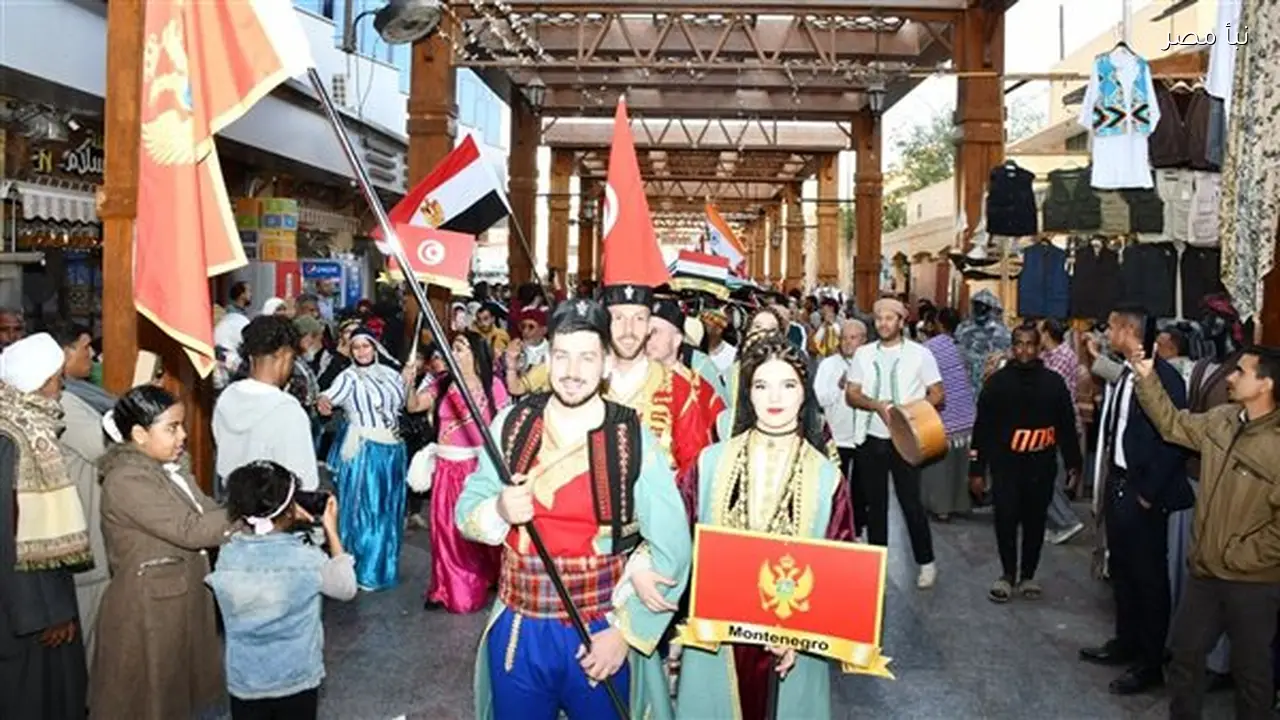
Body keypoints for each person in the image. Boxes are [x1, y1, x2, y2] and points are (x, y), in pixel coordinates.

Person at [455, 299, 692, 720]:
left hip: (600, 627)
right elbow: (467, 512)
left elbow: (673, 545)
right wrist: (499, 509)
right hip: (519, 628)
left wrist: (627, 633)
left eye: (587, 357)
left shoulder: (631, 437)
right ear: (547, 358)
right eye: (561, 356)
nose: (572, 371)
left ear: (605, 364)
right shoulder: (512, 425)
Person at [675, 333, 854, 720]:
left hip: (794, 646)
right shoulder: (708, 464)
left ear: (804, 393)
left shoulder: (827, 479)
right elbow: (674, 546)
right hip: (716, 641)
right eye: (761, 385)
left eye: (788, 385)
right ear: (747, 393)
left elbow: (839, 574)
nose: (775, 398)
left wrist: (801, 638)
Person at [1128, 345, 1280, 719]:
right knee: (1185, 660)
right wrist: (1147, 378)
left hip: (1254, 584)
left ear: (1266, 384)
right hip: (1205, 575)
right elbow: (1171, 424)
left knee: (1252, 677)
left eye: (1241, 372)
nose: (1230, 376)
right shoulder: (1222, 420)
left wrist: (1241, 556)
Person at [92, 386, 234, 719]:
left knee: (179, 697)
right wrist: (251, 511)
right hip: (147, 611)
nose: (183, 435)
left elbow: (207, 511)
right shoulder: (127, 479)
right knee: (153, 701)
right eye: (172, 428)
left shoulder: (168, 470)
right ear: (140, 434)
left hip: (175, 601)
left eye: (181, 425)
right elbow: (191, 529)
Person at [1079, 305, 1191, 696]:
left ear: (1128, 330)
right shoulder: (1125, 370)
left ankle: (1149, 661)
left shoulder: (1165, 378)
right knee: (1122, 570)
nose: (1107, 333)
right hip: (1119, 483)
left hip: (1144, 492)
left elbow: (1175, 439)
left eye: (1111, 327)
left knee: (1148, 578)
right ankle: (1125, 641)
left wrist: (1148, 494)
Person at [207, 461, 357, 720]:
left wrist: (282, 515)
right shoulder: (306, 558)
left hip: (246, 681)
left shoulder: (228, 555)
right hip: (296, 678)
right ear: (289, 510)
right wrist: (331, 531)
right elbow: (346, 587)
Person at [0, 333, 91, 719]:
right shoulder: (18, 441)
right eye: (56, 379)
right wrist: (48, 614)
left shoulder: (20, 425)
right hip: (29, 612)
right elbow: (12, 536)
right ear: (36, 382)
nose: (61, 387)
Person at [969, 324, 1083, 603]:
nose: (1024, 350)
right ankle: (1007, 574)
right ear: (1012, 346)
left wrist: (1073, 464)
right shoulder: (996, 384)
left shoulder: (1053, 383)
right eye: (1018, 344)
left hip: (1041, 466)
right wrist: (976, 470)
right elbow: (981, 428)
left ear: (1039, 347)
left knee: (1035, 521)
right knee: (1005, 519)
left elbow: (1066, 425)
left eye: (1030, 344)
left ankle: (1028, 575)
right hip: (1005, 465)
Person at [404, 331, 508, 613]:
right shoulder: (441, 384)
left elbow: (506, 426)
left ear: (475, 353)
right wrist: (409, 383)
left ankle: (486, 578)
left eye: (460, 348)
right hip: (447, 468)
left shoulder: (493, 386)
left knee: (479, 528)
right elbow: (413, 406)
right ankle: (444, 587)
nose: (454, 352)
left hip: (479, 469)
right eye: (452, 348)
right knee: (445, 530)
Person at [845, 297, 944, 588]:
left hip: (907, 441)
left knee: (911, 502)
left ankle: (926, 563)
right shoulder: (863, 354)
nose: (884, 324)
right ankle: (877, 566)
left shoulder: (920, 354)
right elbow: (852, 393)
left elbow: (937, 393)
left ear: (902, 321)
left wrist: (910, 414)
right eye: (879, 319)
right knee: (875, 505)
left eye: (890, 318)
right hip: (870, 438)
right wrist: (876, 406)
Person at [317, 326, 408, 591]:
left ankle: (381, 568)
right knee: (366, 511)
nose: (362, 351)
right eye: (356, 347)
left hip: (393, 450)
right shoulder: (348, 377)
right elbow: (327, 396)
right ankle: (361, 569)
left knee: (389, 511)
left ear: (374, 347)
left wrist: (410, 380)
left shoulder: (392, 374)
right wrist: (323, 401)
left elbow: (405, 404)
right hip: (365, 451)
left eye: (366, 346)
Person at [49, 322, 113, 661]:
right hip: (84, 537)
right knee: (90, 642)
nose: (91, 354)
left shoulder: (78, 395)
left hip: (85, 534)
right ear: (63, 354)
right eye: (84, 347)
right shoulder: (67, 404)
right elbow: (105, 450)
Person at [601, 282, 711, 474]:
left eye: (639, 319)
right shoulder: (585, 386)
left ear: (648, 326)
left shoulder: (678, 388)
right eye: (618, 318)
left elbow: (694, 471)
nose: (628, 330)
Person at [214, 315, 320, 495]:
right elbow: (305, 481)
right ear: (285, 355)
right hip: (273, 511)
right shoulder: (287, 410)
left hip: (232, 504)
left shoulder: (227, 397)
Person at [919, 307, 977, 520]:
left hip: (943, 415)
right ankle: (960, 504)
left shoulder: (929, 349)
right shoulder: (961, 347)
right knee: (960, 466)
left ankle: (941, 508)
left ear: (938, 324)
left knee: (939, 468)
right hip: (965, 412)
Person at [814, 319, 868, 537]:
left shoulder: (871, 362)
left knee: (862, 489)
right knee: (836, 487)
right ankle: (834, 530)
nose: (847, 343)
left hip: (865, 436)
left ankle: (857, 531)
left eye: (853, 338)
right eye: (844, 338)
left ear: (864, 341)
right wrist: (839, 386)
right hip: (837, 438)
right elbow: (820, 398)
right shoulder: (828, 365)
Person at [648, 297, 725, 442]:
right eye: (647, 333)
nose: (649, 339)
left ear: (677, 340)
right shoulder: (638, 375)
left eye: (656, 332)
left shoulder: (698, 373)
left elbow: (722, 422)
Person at [1038, 318, 1086, 545]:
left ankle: (1066, 521)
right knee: (1050, 475)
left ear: (1047, 333)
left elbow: (1046, 385)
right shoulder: (1048, 355)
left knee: (1049, 475)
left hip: (1059, 424)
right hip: (1049, 423)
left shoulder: (1063, 357)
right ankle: (1057, 522)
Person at [504, 307, 550, 397]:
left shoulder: (552, 352)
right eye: (523, 326)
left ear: (543, 330)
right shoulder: (514, 349)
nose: (525, 331)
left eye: (531, 327)